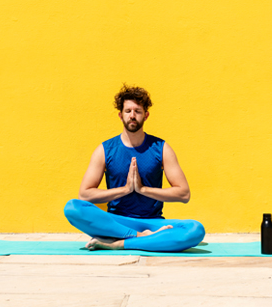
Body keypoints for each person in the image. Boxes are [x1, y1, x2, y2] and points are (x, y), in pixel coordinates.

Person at [64, 84, 205, 252]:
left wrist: (143, 189)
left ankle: (119, 243)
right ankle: (139, 237)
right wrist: (125, 189)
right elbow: (84, 194)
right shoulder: (105, 150)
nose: (132, 115)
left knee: (196, 229)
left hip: (153, 222)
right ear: (120, 115)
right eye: (128, 111)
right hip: (115, 223)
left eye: (137, 111)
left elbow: (184, 194)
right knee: (72, 208)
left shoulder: (161, 148)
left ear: (145, 116)